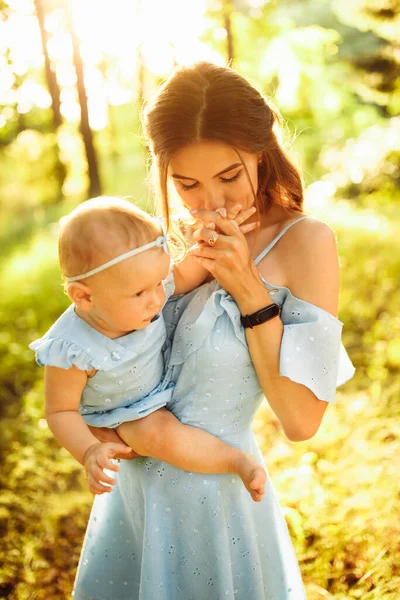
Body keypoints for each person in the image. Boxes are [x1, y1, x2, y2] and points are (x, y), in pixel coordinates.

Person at [72, 62, 355, 599]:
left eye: (228, 176)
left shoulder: (307, 244)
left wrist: (249, 290)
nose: (212, 202)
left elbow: (301, 420)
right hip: (133, 497)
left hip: (218, 504)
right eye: (187, 184)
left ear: (260, 151)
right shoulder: (168, 243)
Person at [29, 196, 266, 500]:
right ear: (84, 297)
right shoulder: (73, 349)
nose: (156, 299)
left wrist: (216, 235)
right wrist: (89, 450)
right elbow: (60, 410)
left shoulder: (148, 286)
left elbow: (186, 273)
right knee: (159, 435)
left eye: (158, 283)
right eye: (140, 292)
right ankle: (236, 461)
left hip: (165, 378)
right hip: (124, 413)